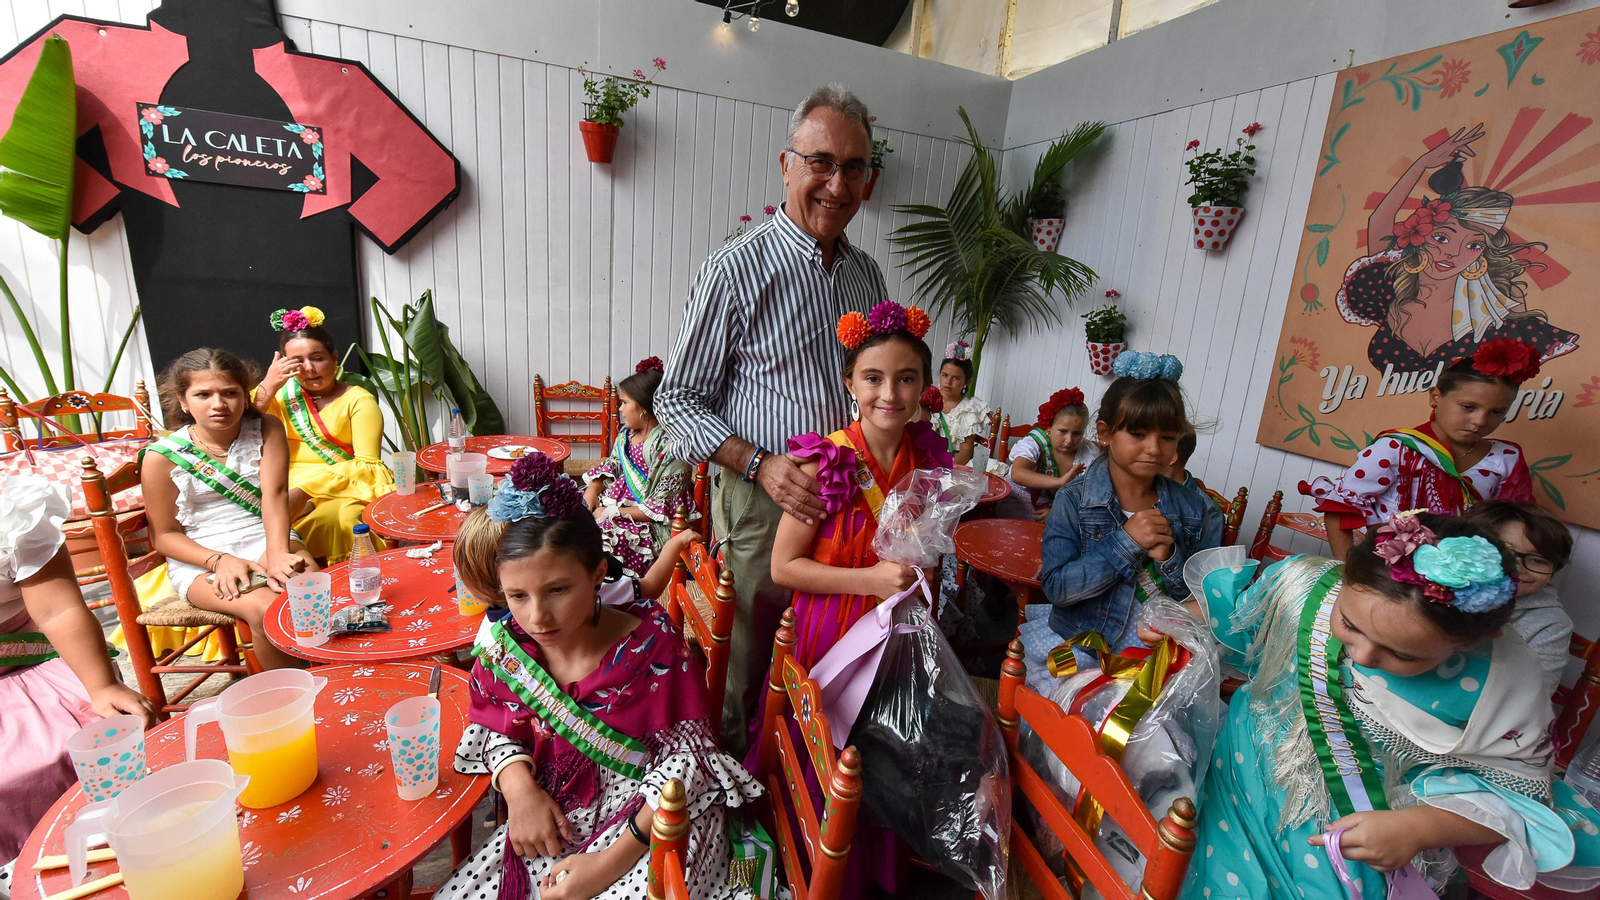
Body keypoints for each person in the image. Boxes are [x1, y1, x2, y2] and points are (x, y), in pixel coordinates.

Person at [1169, 514, 1600, 898]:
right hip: (1233, 780)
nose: (1362, 656)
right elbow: (1237, 613)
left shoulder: (1497, 684)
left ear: (1470, 642)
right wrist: (1174, 621)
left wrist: (1416, 830)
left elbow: (1516, 796)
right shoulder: (1305, 587)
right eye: (1349, 625)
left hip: (1350, 836)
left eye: (1403, 655)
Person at [657, 84, 887, 753]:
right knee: (751, 661)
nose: (835, 183)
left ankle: (798, 787)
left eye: (853, 168)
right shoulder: (736, 268)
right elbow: (675, 399)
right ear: (786, 164)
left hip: (847, 504)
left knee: (824, 654)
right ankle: (732, 789)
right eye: (820, 162)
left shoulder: (866, 276)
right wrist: (760, 464)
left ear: (868, 181)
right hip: (761, 502)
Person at [434, 457, 761, 900]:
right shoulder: (508, 650)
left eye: (558, 590)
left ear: (597, 573)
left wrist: (606, 866)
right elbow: (493, 726)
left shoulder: (652, 645)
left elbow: (689, 765)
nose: (537, 617)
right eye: (517, 596)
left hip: (648, 820)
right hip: (557, 812)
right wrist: (520, 789)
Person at [759, 299, 948, 897]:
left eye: (906, 378)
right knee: (836, 753)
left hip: (902, 633)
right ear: (849, 382)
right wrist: (870, 581)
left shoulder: (929, 459)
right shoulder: (825, 462)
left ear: (924, 386)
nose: (889, 393)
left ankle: (873, 869)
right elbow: (784, 566)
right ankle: (815, 861)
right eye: (873, 377)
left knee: (888, 751)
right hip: (834, 636)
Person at [0, 477, 156, 864]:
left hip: (27, 670)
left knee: (78, 745)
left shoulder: (12, 513)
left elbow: (59, 610)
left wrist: (102, 685)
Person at [1338, 127, 1577, 371]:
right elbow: (1380, 220)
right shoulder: (1388, 280)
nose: (1452, 253)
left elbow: (1508, 381)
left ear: (1484, 252)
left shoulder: (1501, 302)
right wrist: (1421, 165)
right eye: (1442, 238)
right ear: (1422, 232)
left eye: (1474, 245)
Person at [142, 348, 317, 672]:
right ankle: (293, 696)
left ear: (245, 395)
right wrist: (219, 561)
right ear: (183, 400)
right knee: (268, 608)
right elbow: (164, 536)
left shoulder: (267, 428)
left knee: (310, 588)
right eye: (203, 394)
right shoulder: (161, 457)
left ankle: (335, 679)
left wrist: (277, 553)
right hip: (201, 556)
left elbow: (275, 496)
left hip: (267, 534)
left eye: (230, 393)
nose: (219, 404)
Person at [1037, 353, 1223, 655]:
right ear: (1105, 433)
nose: (1153, 449)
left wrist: (1169, 558)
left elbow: (1209, 602)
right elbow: (1057, 587)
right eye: (1138, 434)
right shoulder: (1073, 499)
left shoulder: (1200, 511)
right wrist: (1126, 542)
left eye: (1167, 437)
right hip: (1084, 649)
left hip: (1163, 657)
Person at [1305, 338, 1539, 560]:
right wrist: (1347, 566)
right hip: (1389, 571)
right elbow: (1341, 508)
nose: (1480, 421)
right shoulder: (1396, 448)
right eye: (1468, 407)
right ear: (1436, 397)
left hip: (1462, 572)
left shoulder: (1506, 457)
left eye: (1497, 412)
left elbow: (1514, 523)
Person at [459, 454, 702, 606]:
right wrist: (672, 546)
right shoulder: (587, 590)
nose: (538, 618)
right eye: (519, 596)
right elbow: (650, 587)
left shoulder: (492, 645)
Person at [253, 306, 395, 563]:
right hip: (279, 491)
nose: (309, 368)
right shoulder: (279, 395)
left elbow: (369, 466)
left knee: (344, 516)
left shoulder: (358, 400)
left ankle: (357, 581)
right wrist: (269, 384)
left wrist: (305, 491)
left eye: (317, 358)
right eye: (297, 362)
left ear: (334, 357)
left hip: (338, 489)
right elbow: (237, 428)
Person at [583, 358, 697, 578]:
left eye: (624, 402)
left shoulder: (670, 447)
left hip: (645, 522)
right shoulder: (627, 436)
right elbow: (615, 463)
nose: (620, 408)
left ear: (643, 408)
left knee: (600, 542)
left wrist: (610, 512)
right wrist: (594, 488)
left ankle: (612, 594)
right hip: (613, 505)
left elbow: (663, 507)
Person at [1466, 500, 1574, 697]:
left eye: (1538, 560)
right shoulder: (1435, 587)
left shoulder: (1551, 625)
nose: (1517, 568)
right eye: (1503, 551)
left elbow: (1531, 700)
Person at [1008, 387, 1098, 518]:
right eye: (1063, 431)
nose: (1069, 440)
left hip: (1059, 509)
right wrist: (1059, 482)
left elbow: (1089, 495)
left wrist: (1057, 512)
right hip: (1019, 502)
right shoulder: (1034, 444)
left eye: (1077, 433)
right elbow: (1017, 473)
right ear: (1049, 427)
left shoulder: (1088, 453)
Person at [930, 340, 990, 464]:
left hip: (955, 463)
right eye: (945, 375)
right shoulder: (927, 399)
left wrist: (949, 471)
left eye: (956, 378)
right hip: (926, 459)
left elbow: (966, 450)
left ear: (966, 382)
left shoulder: (969, 409)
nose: (948, 381)